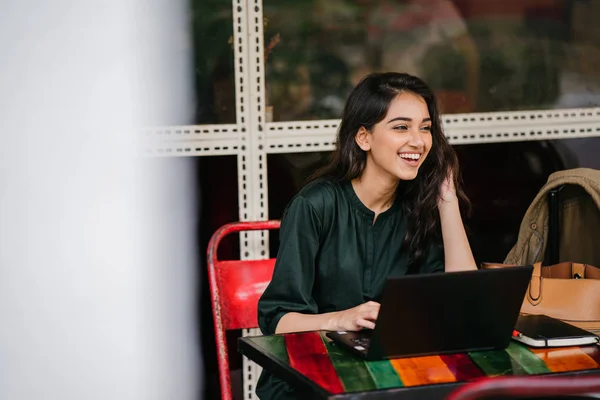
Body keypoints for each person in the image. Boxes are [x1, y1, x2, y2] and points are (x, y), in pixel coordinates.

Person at [256, 72, 477, 399]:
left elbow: (465, 301)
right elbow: (277, 320)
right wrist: (342, 319)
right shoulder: (315, 205)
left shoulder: (418, 209)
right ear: (364, 137)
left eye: (425, 127)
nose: (418, 141)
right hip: (308, 380)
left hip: (389, 378)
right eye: (401, 127)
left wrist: (447, 200)